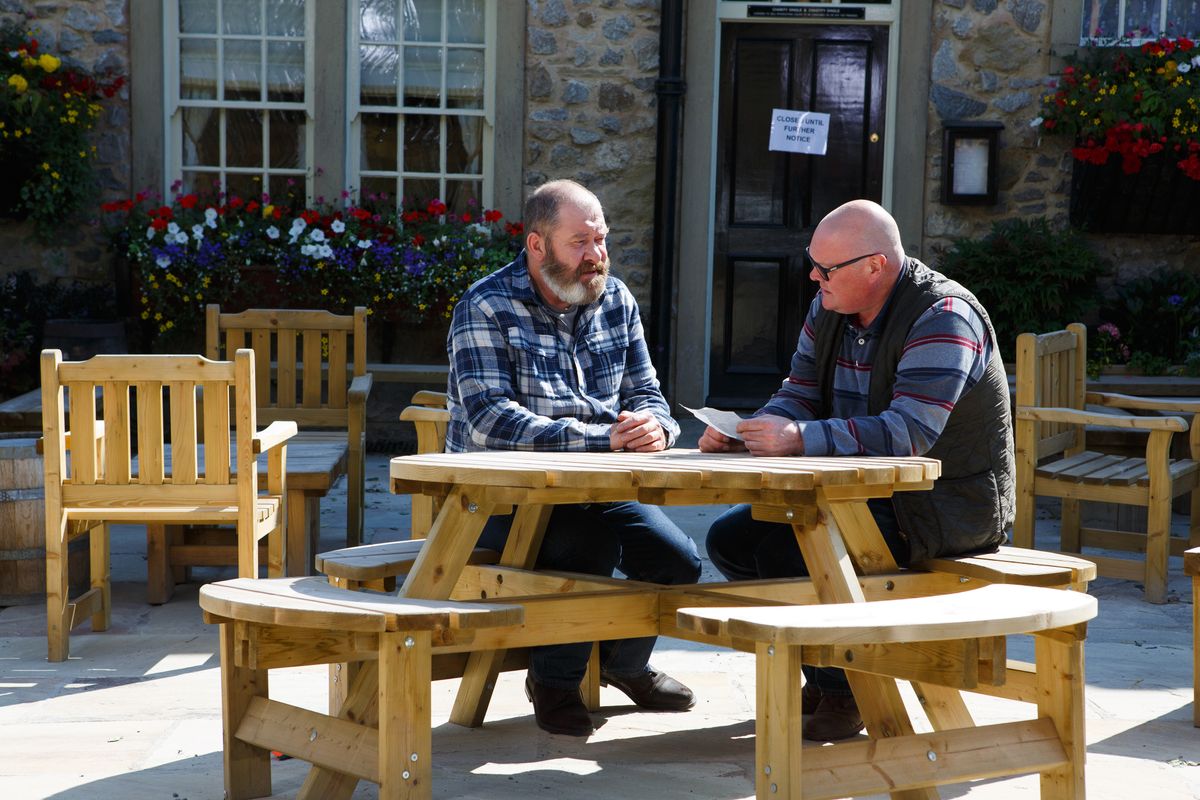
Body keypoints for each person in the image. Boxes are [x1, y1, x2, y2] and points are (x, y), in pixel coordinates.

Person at [700, 198, 1014, 742]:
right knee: (731, 540)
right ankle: (827, 676)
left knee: (788, 551)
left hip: (944, 508)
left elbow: (908, 434)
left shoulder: (944, 317)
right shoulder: (830, 306)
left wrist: (797, 439)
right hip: (863, 497)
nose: (813, 278)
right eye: (812, 263)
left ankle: (847, 688)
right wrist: (751, 432)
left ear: (876, 266)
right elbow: (799, 392)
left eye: (827, 268)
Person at [446, 179, 702, 737]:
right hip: (496, 497)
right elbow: (491, 420)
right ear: (537, 246)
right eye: (580, 242)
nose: (596, 256)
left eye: (602, 240)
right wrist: (603, 438)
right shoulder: (485, 305)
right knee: (585, 544)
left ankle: (620, 664)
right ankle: (555, 682)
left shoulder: (616, 299)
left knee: (677, 560)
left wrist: (653, 428)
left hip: (596, 486)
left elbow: (650, 395)